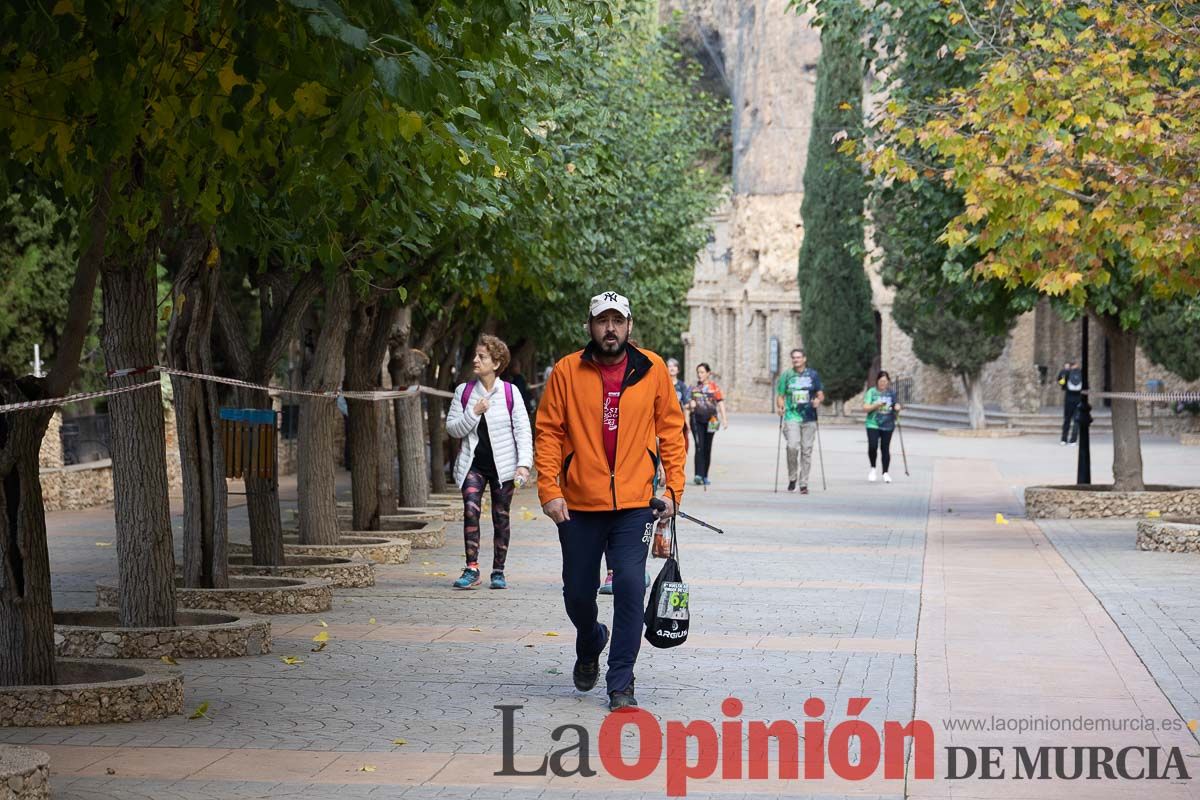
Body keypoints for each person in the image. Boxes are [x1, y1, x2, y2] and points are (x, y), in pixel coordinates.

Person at [536, 290, 686, 711]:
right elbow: (549, 433)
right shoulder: (567, 370)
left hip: (635, 504)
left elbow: (671, 430)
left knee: (630, 589)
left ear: (630, 325)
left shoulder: (652, 368)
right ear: (590, 326)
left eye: (617, 321)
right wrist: (550, 489)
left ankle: (621, 682)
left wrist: (673, 488)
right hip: (579, 504)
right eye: (602, 321)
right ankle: (590, 638)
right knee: (578, 594)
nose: (610, 329)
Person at [446, 335, 533, 590]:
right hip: (472, 465)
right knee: (471, 510)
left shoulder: (510, 392)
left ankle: (498, 570)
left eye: (481, 356)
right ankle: (472, 568)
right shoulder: (464, 392)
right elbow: (452, 429)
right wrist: (474, 412)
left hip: (503, 467)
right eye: (476, 355)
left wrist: (524, 464)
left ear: (496, 363)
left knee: (500, 516)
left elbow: (522, 431)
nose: (475, 360)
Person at [774, 348, 825, 494]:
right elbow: (780, 395)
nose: (796, 360)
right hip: (792, 416)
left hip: (809, 417)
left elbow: (820, 394)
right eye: (794, 358)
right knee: (792, 446)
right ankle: (792, 477)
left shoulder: (813, 375)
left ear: (804, 359)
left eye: (798, 357)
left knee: (807, 450)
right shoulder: (787, 375)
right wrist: (780, 406)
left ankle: (804, 483)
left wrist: (818, 401)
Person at [690, 363, 728, 486]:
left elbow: (720, 403)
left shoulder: (714, 388)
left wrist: (724, 419)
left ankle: (705, 475)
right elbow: (688, 403)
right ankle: (698, 475)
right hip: (697, 420)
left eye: (702, 372)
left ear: (708, 373)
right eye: (698, 372)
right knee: (699, 446)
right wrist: (690, 405)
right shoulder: (694, 388)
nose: (700, 375)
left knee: (707, 447)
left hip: (712, 420)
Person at [863, 370, 902, 483]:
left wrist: (897, 407)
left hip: (888, 424)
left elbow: (896, 405)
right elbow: (865, 408)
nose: (883, 383)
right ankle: (873, 468)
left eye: (885, 381)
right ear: (877, 381)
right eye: (881, 381)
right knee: (872, 446)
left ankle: (885, 472)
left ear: (888, 382)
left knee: (885, 448)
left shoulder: (891, 393)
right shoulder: (871, 392)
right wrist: (876, 405)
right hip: (872, 423)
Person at [1056, 360, 1083, 445]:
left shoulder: (1066, 372)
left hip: (1069, 399)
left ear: (1070, 366)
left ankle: (1064, 439)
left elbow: (1061, 383)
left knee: (1067, 419)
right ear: (1077, 365)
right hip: (1079, 399)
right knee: (1076, 420)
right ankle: (1073, 440)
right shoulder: (1081, 373)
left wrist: (1064, 373)